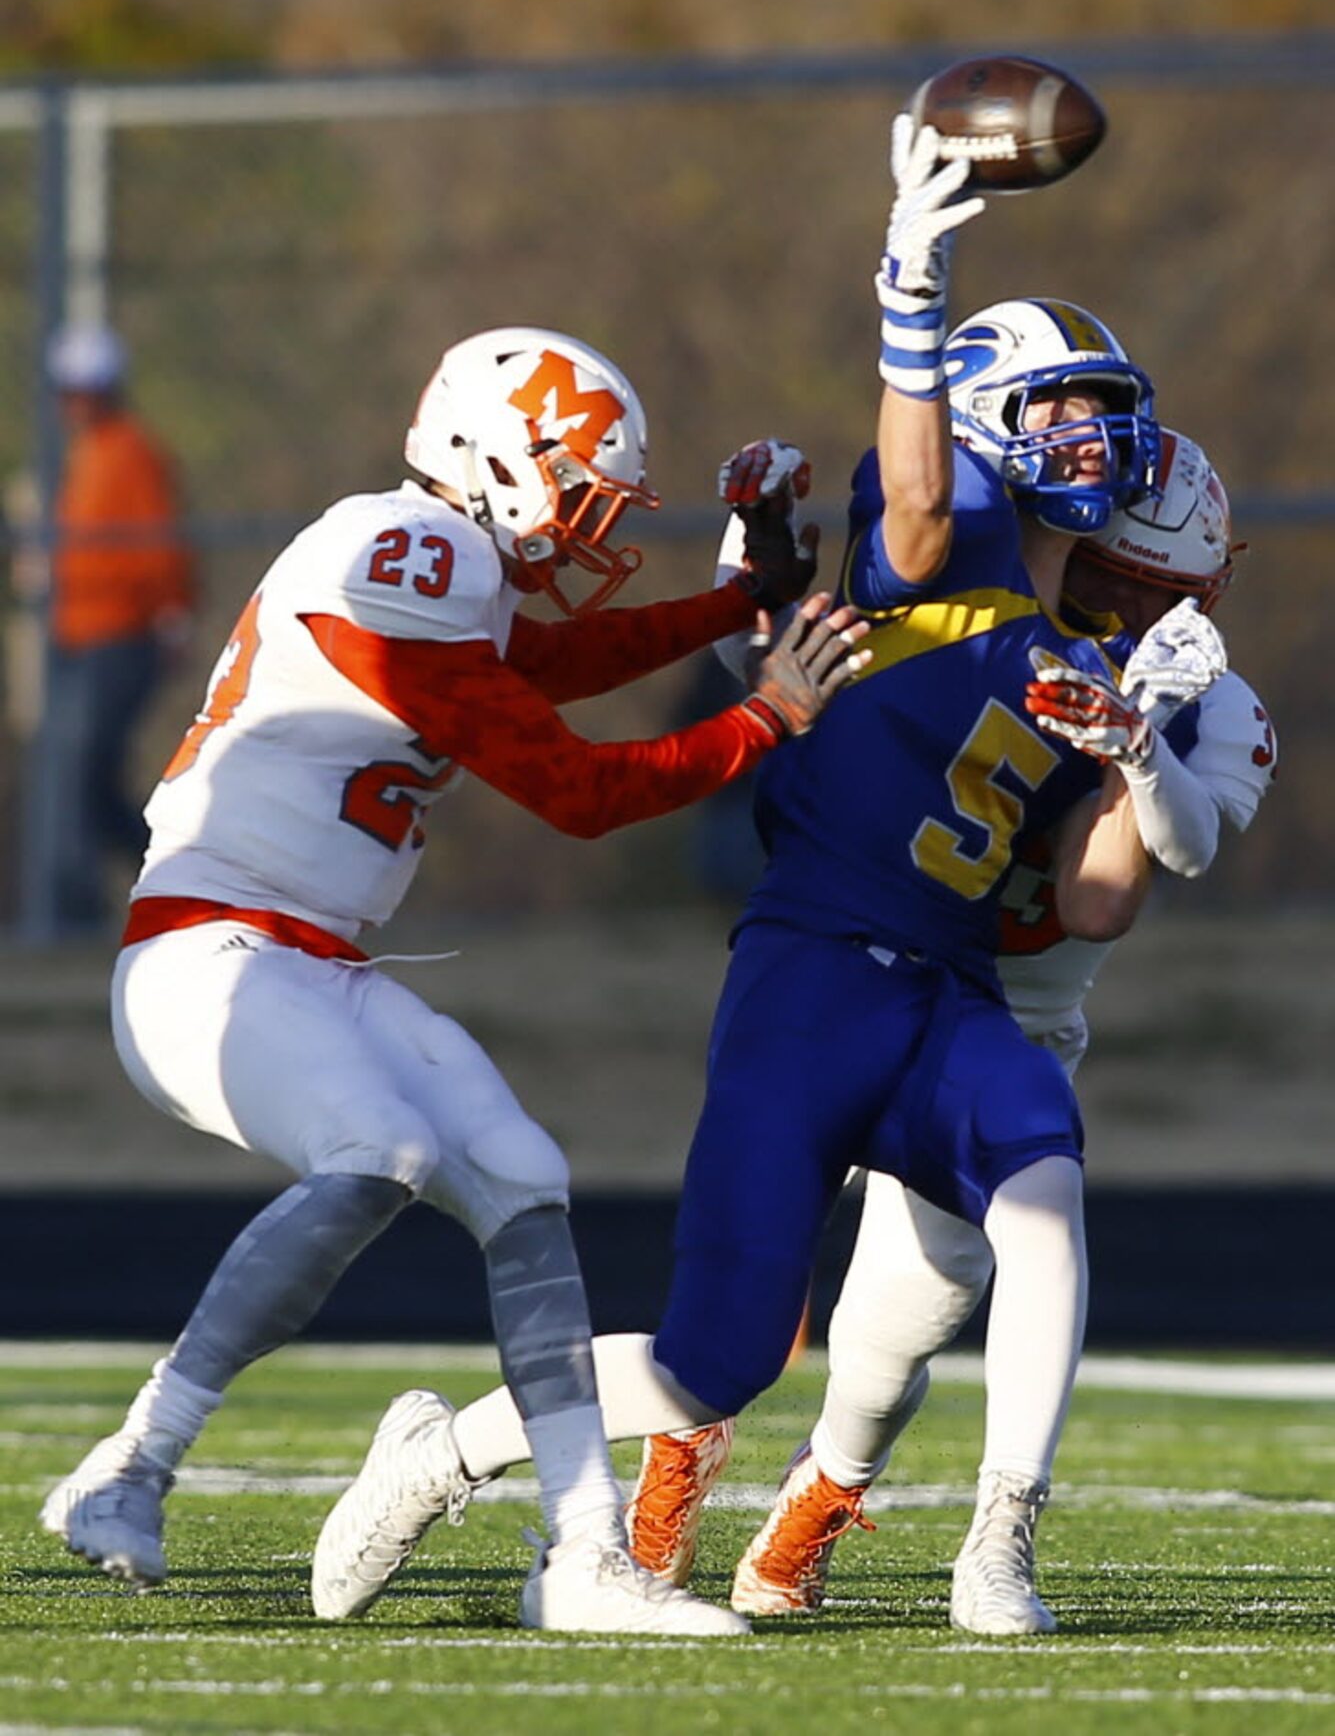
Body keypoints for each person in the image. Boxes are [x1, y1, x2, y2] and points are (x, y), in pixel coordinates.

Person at [309, 119, 1172, 1624]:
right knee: (716, 1357)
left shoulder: (1093, 650)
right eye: (1061, 414)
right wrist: (911, 282)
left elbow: (1090, 900)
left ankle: (997, 1538)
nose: (1094, 444)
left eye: (1108, 417)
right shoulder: (941, 534)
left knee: (1042, 1183)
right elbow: (902, 502)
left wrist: (1137, 754)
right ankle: (445, 1452)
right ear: (978, 420)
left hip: (951, 993)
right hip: (813, 973)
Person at [39, 325, 867, 1638]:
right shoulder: (397, 548)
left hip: (309, 963)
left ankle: (588, 1553)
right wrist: (761, 713)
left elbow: (546, 667)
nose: (591, 525)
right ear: (499, 453)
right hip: (208, 953)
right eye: (584, 489)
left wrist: (728, 606)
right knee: (384, 1149)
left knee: (520, 1172)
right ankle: (129, 1466)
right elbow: (578, 791)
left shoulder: (449, 571)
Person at [637, 430, 1275, 1634]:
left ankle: (826, 1495)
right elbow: (783, 671)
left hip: (1004, 1023)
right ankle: (674, 1457)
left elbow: (1131, 881)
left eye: (1170, 592)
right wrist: (760, 561)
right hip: (851, 972)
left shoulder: (1204, 701)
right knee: (742, 1263)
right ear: (1076, 544)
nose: (1141, 608)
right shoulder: (978, 611)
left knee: (907, 1320)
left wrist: (1136, 738)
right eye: (1121, 577)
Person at [39, 323, 196, 931]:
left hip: (123, 634)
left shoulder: (129, 451)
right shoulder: (88, 453)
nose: (75, 403)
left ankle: (164, 884)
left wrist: (173, 615)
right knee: (82, 774)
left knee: (90, 771)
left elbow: (161, 547)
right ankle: (142, 893)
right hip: (83, 634)